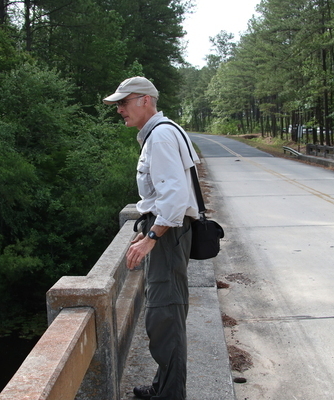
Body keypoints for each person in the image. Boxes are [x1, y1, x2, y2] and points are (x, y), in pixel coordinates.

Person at [103, 77, 199, 399]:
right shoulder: (164, 131)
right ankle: (164, 387)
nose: (119, 110)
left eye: (123, 102)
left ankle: (170, 395)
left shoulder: (160, 137)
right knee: (166, 315)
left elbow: (174, 196)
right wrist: (147, 229)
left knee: (165, 317)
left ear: (145, 100)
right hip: (169, 234)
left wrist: (151, 237)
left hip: (168, 237)